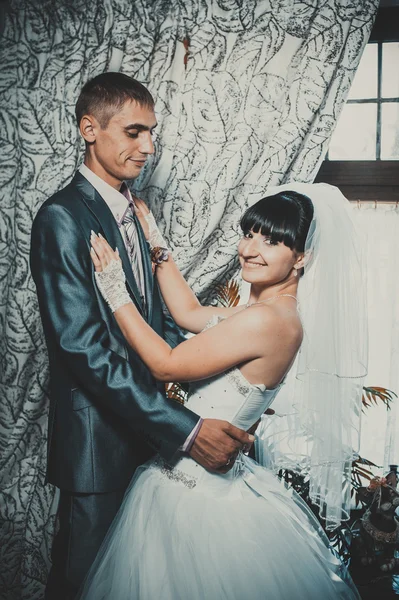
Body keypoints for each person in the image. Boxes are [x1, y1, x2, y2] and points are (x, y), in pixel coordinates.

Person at [78, 183, 367, 599]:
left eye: (271, 241)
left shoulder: (270, 322)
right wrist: (158, 247)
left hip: (197, 501)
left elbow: (165, 363)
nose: (251, 249)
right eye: (249, 233)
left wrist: (113, 288)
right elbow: (190, 313)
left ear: (301, 258)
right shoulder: (263, 313)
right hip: (189, 481)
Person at [29, 72, 254, 600]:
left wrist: (233, 365)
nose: (148, 147)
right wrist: (187, 430)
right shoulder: (62, 218)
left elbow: (161, 322)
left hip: (150, 440)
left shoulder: (136, 212)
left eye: (151, 133)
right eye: (134, 132)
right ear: (89, 128)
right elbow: (81, 348)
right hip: (98, 450)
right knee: (86, 585)